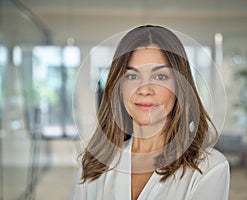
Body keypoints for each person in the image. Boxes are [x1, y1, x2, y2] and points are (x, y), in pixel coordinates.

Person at [71, 25, 230, 200]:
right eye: (132, 76)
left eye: (160, 76)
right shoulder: (95, 165)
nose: (144, 89)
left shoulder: (209, 168)